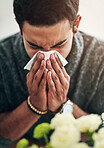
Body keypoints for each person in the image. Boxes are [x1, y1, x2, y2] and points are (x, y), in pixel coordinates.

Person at [0, 0, 104, 147]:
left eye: (59, 44)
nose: (47, 56)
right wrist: (33, 107)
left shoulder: (100, 59)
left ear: (76, 25)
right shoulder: (3, 57)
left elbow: (101, 135)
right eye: (34, 45)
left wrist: (63, 106)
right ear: (20, 27)